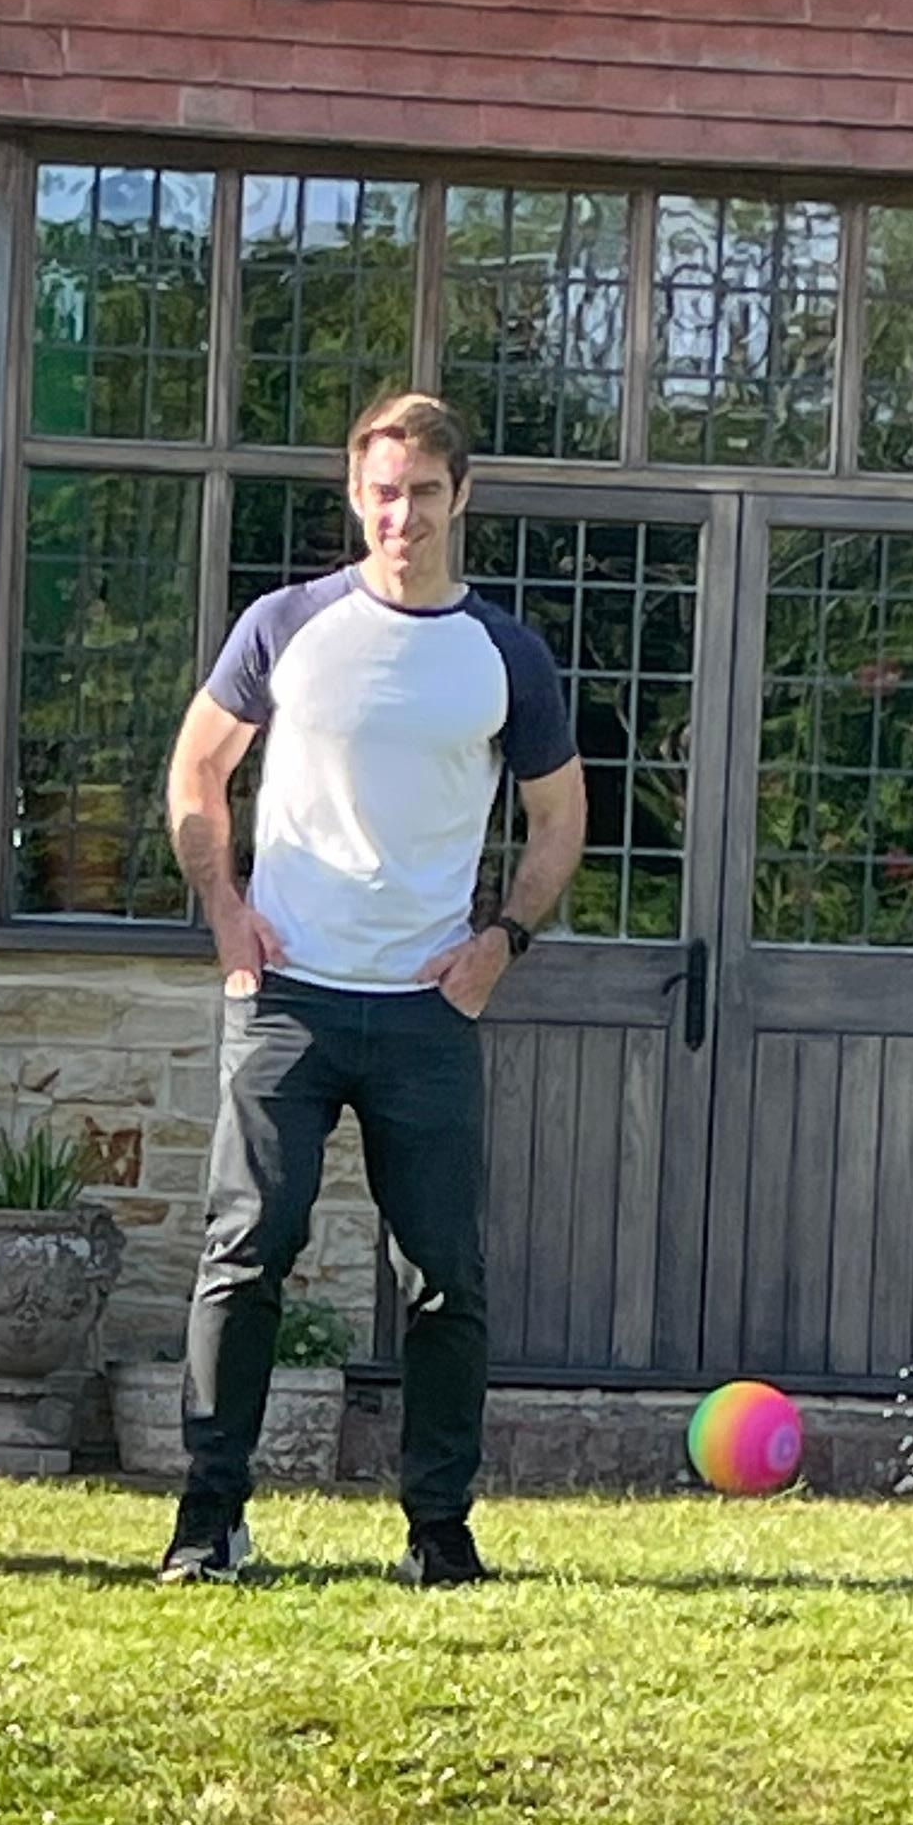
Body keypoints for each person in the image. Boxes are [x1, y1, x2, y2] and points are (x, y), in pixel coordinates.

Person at [160, 390, 585, 1588]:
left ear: (462, 499)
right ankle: (210, 1518)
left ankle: (439, 1530)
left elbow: (560, 820)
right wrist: (227, 914)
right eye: (384, 492)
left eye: (426, 493)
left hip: (425, 1012)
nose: (403, 515)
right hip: (289, 997)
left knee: (446, 1275)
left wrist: (499, 940)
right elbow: (199, 766)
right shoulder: (287, 625)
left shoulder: (504, 653)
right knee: (246, 1254)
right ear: (357, 494)